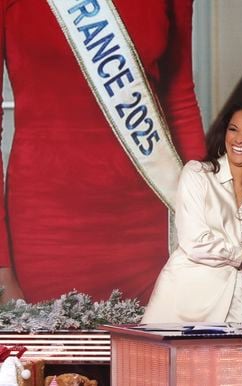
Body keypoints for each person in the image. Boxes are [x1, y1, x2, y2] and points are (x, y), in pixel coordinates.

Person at [0, 0, 206, 304]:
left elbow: (179, 99)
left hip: (151, 226)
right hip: (45, 230)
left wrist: (208, 217)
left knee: (150, 350)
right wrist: (1, 266)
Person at [142, 101, 242, 323]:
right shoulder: (198, 174)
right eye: (233, 129)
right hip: (185, 298)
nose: (239, 139)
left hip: (234, 301)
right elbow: (195, 243)